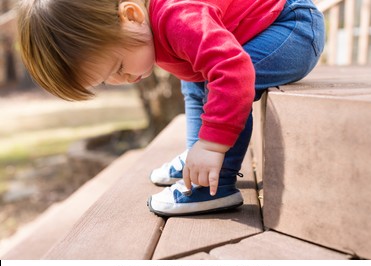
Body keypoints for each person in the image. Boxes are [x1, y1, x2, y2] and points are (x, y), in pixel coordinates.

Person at [18, 0, 325, 216]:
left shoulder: (178, 17)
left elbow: (233, 69)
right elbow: (196, 91)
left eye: (120, 66)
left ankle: (215, 184)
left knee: (227, 79)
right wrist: (198, 149)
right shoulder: (151, 30)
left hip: (293, 28)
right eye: (106, 80)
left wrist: (212, 145)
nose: (123, 80)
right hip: (267, 30)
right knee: (195, 82)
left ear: (132, 15)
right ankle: (197, 164)